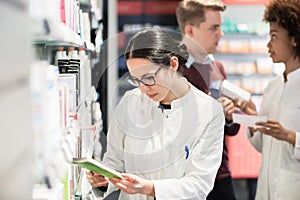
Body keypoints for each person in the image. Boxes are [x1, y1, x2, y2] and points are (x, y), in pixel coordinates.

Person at [86, 28, 225, 200]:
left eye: (148, 77)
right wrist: (103, 177)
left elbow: (200, 183)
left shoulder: (209, 111)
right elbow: (114, 161)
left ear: (173, 64)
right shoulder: (130, 102)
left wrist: (150, 188)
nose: (143, 88)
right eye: (136, 80)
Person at [176, 0, 240, 199]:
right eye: (214, 28)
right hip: (184, 177)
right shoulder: (173, 68)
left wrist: (229, 115)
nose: (221, 34)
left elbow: (231, 129)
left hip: (220, 175)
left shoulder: (217, 67)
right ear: (190, 30)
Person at [237, 0, 300, 199]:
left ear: (294, 39)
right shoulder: (272, 86)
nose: (268, 44)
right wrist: (254, 119)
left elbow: (286, 138)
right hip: (266, 188)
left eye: (274, 36)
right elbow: (263, 146)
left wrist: (290, 136)